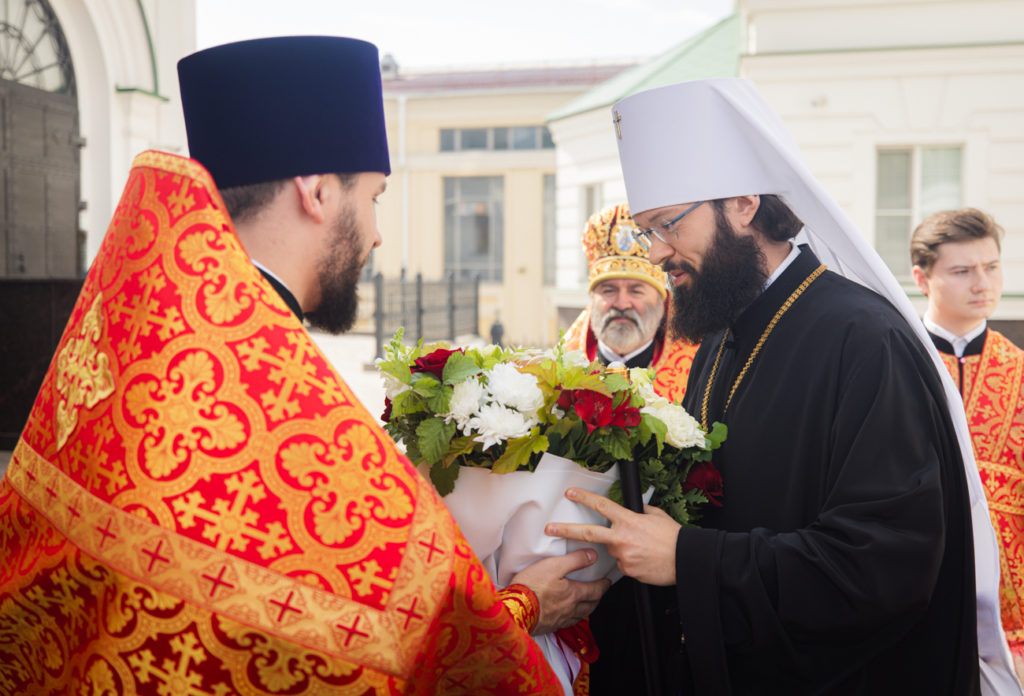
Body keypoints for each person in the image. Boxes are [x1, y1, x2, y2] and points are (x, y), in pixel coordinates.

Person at [0, 36, 606, 694]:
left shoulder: (155, 352)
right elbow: (381, 642)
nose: (377, 234)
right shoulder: (267, 407)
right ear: (317, 191)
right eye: (374, 197)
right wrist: (523, 607)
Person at [547, 77, 1020, 694]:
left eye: (668, 226)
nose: (657, 254)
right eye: (648, 231)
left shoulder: (864, 339)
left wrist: (688, 559)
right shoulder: (721, 333)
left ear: (744, 203)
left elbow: (885, 566)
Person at [911, 207, 1024, 683]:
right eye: (962, 271)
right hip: (919, 592)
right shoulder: (897, 361)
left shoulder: (1018, 369)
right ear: (922, 278)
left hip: (1011, 610)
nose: (983, 283)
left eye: (991, 267)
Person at [562, 203, 698, 403]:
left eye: (636, 291)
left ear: (662, 301)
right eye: (609, 290)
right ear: (593, 299)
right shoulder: (560, 371)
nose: (622, 304)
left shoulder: (698, 369)